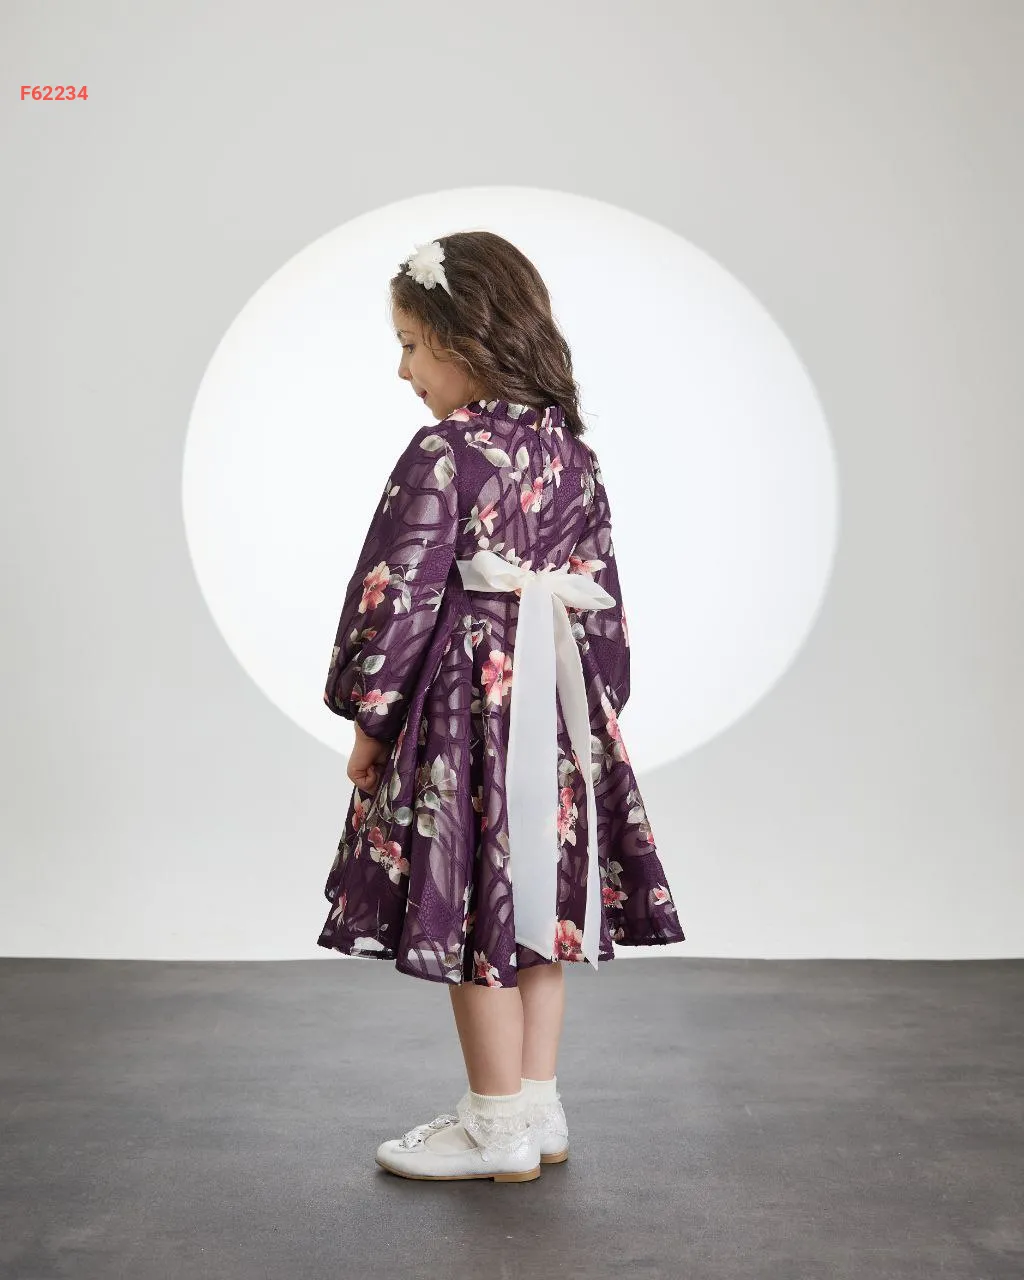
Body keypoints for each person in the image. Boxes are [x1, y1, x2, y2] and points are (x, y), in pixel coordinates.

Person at [318, 231, 686, 1182]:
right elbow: (602, 599)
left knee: (480, 907)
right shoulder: (574, 455)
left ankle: (494, 1126)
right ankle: (537, 1106)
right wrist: (594, 713)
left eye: (410, 344)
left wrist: (370, 719)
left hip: (467, 717)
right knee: (538, 909)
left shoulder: (444, 453)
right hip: (554, 709)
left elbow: (396, 595)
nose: (403, 370)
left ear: (463, 336)